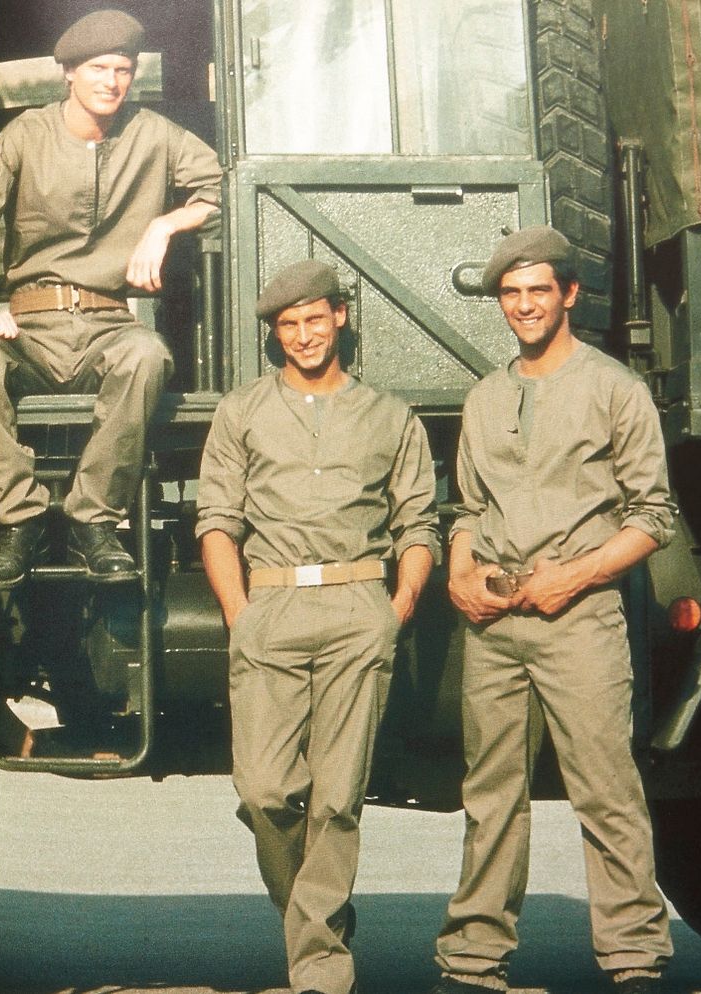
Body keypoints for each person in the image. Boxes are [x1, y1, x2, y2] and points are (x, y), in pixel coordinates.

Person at [427, 226, 676, 994]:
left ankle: (635, 960)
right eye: (511, 294)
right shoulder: (487, 394)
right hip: (494, 623)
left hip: (580, 620)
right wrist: (458, 567)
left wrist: (573, 578)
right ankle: (473, 961)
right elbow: (467, 506)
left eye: (539, 290)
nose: (525, 306)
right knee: (490, 797)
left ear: (569, 294)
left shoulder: (615, 390)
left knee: (605, 790)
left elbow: (653, 516)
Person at [196, 260, 439, 994]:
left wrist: (393, 612)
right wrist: (240, 614)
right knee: (266, 790)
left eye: (315, 319)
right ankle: (318, 915)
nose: (304, 335)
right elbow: (217, 522)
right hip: (270, 606)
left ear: (340, 317)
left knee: (337, 798)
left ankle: (320, 969)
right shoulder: (241, 412)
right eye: (288, 325)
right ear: (277, 335)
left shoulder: (390, 416)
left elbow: (417, 525)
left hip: (357, 607)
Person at [0, 8, 223, 587]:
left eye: (124, 70)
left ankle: (93, 520)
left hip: (110, 325)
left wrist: (162, 227)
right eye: (98, 69)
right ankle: (19, 520)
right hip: (31, 324)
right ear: (69, 75)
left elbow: (217, 189)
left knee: (149, 357)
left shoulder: (153, 133)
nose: (112, 81)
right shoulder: (27, 132)